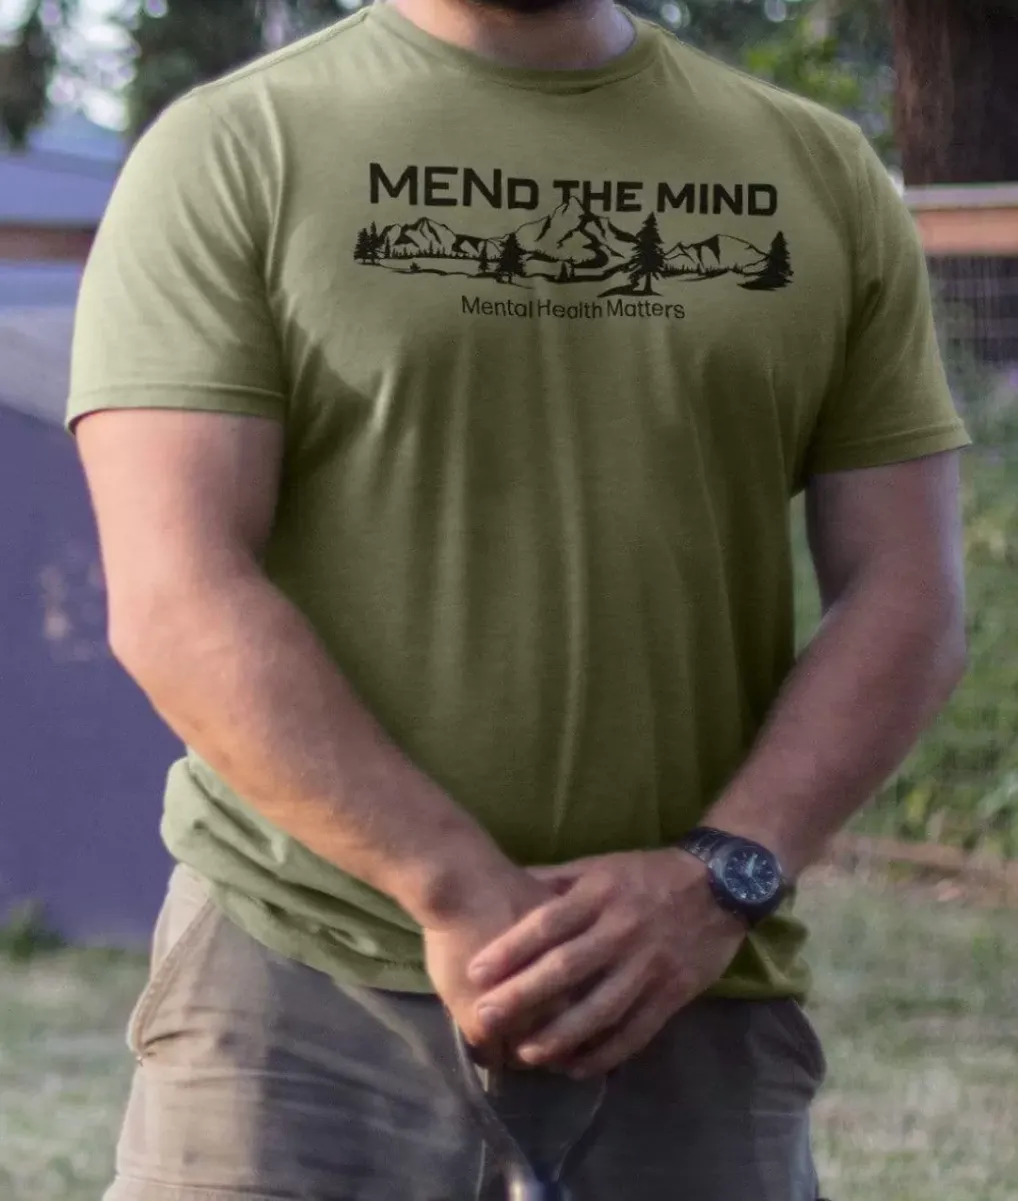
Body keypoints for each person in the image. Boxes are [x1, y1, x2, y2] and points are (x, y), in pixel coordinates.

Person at [69, 0, 969, 1196]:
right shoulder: (235, 147)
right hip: (300, 997)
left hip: (688, 991)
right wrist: (449, 883)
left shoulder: (816, 168)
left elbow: (908, 591)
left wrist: (720, 879)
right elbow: (176, 586)